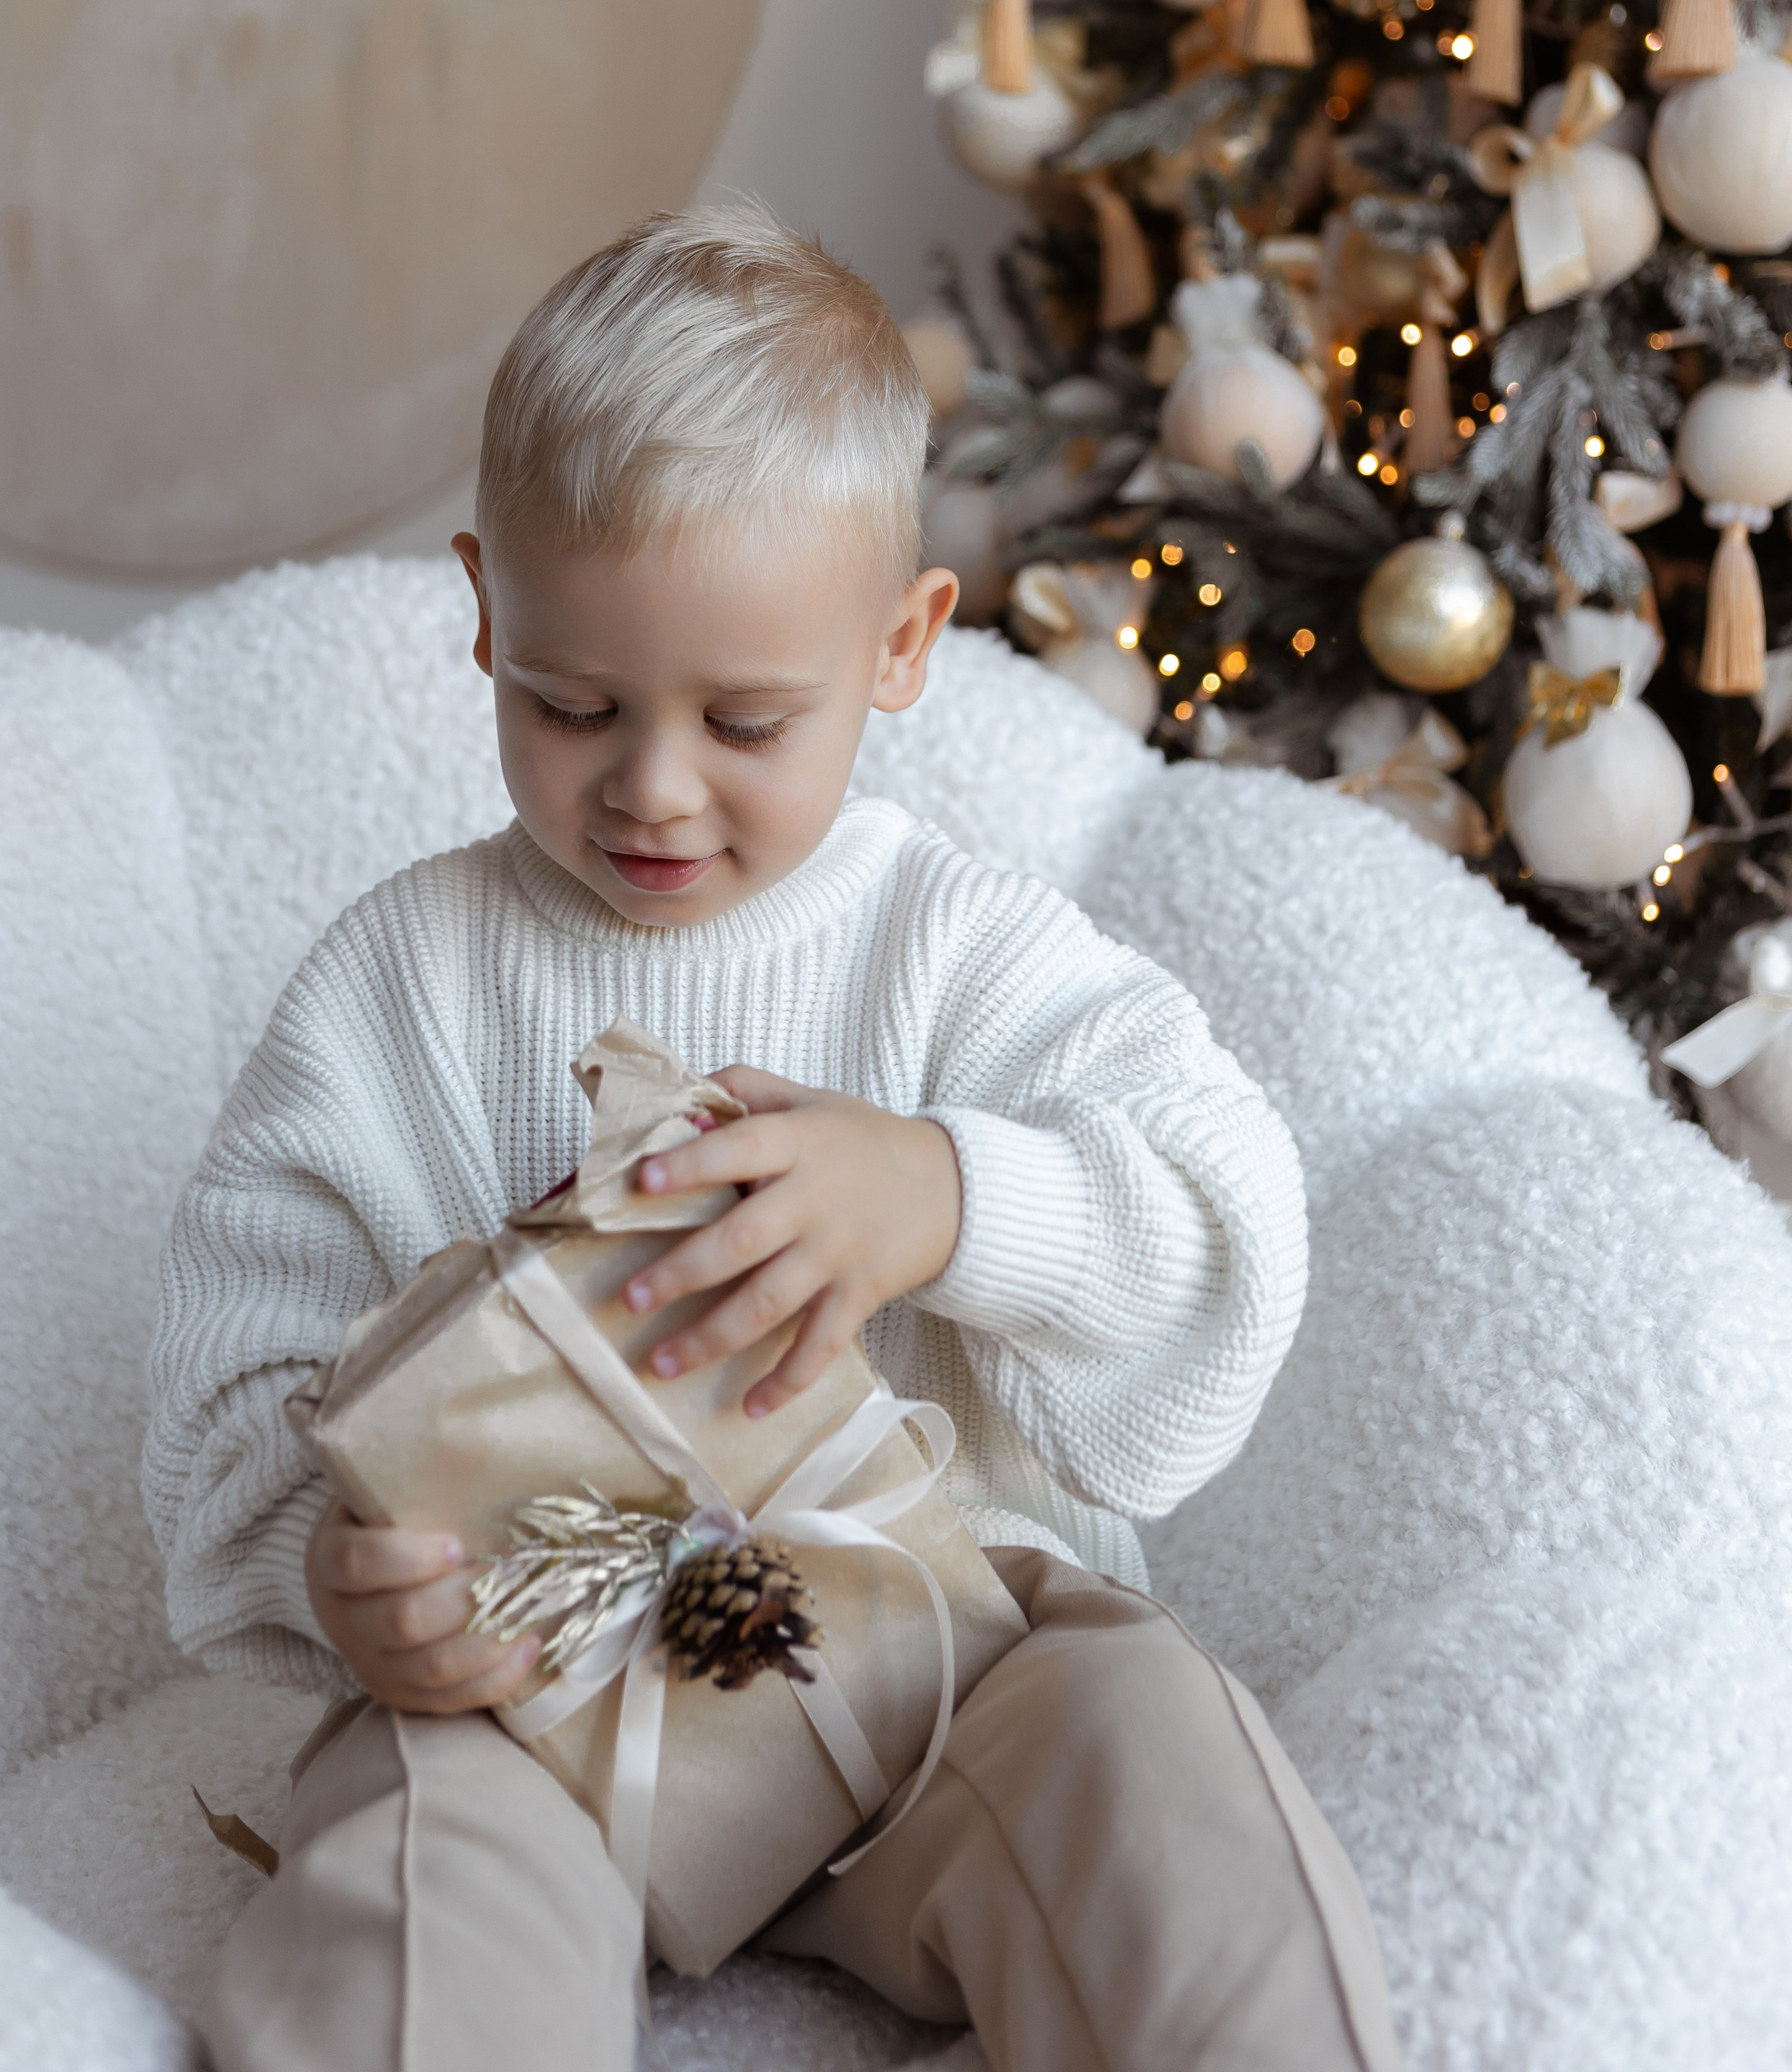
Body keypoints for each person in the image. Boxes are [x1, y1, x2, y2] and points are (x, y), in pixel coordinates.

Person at [145, 199, 1400, 2072]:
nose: (652, 786)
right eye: (570, 705)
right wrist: (347, 1579)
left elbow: (1222, 1212)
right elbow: (231, 1398)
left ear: (901, 646)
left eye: (747, 719)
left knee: (1147, 1736)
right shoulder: (396, 984)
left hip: (943, 1668)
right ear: (484, 611)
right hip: (535, 1703)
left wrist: (955, 1196)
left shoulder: (955, 947)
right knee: (414, 1842)